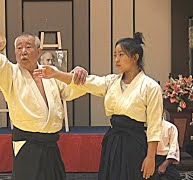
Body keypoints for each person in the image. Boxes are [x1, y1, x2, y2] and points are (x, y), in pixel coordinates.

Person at [0, 20, 87, 180]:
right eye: (19, 48)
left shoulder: (50, 73)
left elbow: (69, 90)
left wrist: (77, 75)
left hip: (50, 145)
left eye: (28, 47)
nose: (23, 51)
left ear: (38, 51)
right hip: (27, 145)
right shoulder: (9, 73)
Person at [34, 32, 163, 179]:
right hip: (113, 141)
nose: (117, 60)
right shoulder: (112, 81)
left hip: (135, 143)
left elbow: (154, 125)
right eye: (115, 55)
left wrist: (151, 157)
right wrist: (56, 74)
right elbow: (86, 82)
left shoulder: (150, 86)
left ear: (135, 57)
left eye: (121, 55)